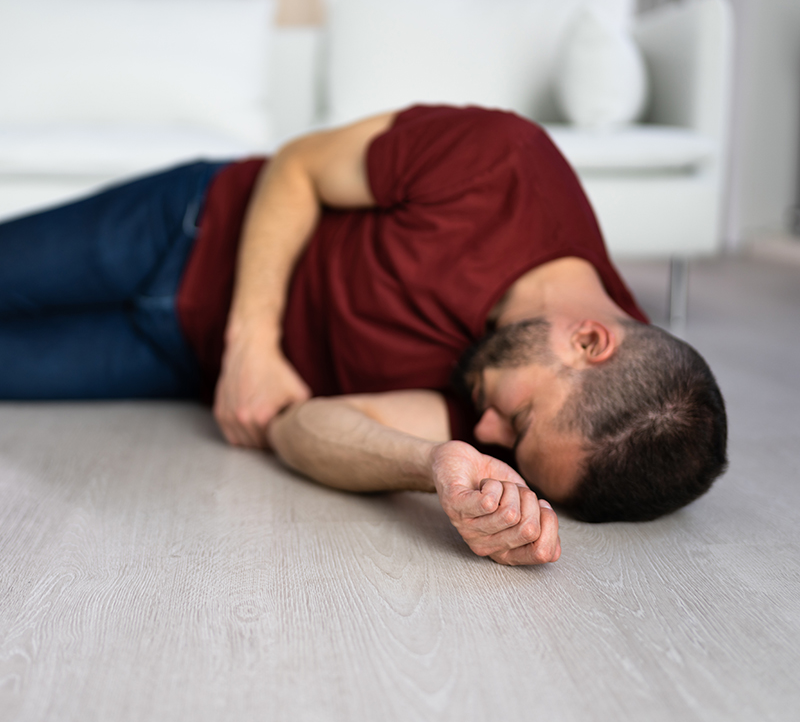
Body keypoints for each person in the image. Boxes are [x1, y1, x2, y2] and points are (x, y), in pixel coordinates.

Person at [0, 105, 728, 566]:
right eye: (519, 415)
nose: (486, 428)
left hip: (181, 360)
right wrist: (251, 343)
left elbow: (301, 428)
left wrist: (434, 463)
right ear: (590, 341)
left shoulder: (507, 427)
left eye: (506, 444)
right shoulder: (505, 162)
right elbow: (298, 167)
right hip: (190, 227)